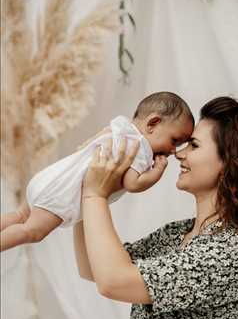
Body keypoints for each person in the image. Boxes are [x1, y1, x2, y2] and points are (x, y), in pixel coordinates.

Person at [74, 96, 238, 319]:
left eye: (194, 145)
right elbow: (92, 268)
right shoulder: (176, 234)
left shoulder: (232, 252)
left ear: (229, 164)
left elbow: (112, 281)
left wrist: (96, 196)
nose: (179, 153)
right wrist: (83, 184)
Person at [0, 92, 194, 252]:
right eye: (174, 141)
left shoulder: (120, 127)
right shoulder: (140, 148)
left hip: (50, 177)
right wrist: (157, 171)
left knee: (19, 216)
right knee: (31, 231)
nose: (173, 151)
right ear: (152, 124)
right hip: (61, 195)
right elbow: (132, 183)